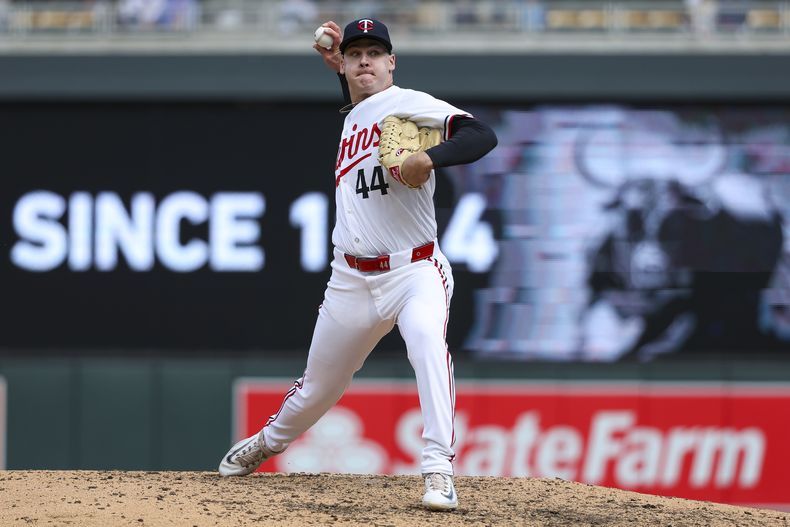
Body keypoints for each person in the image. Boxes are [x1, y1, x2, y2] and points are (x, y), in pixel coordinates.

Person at [218, 17, 498, 511]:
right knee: (318, 390)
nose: (365, 59)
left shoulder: (409, 103)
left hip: (414, 271)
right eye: (355, 54)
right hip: (350, 278)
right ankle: (269, 442)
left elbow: (481, 135)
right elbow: (361, 108)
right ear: (344, 64)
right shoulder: (354, 114)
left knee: (428, 344)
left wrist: (428, 161)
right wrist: (341, 76)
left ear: (392, 62)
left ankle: (438, 469)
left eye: (374, 52)